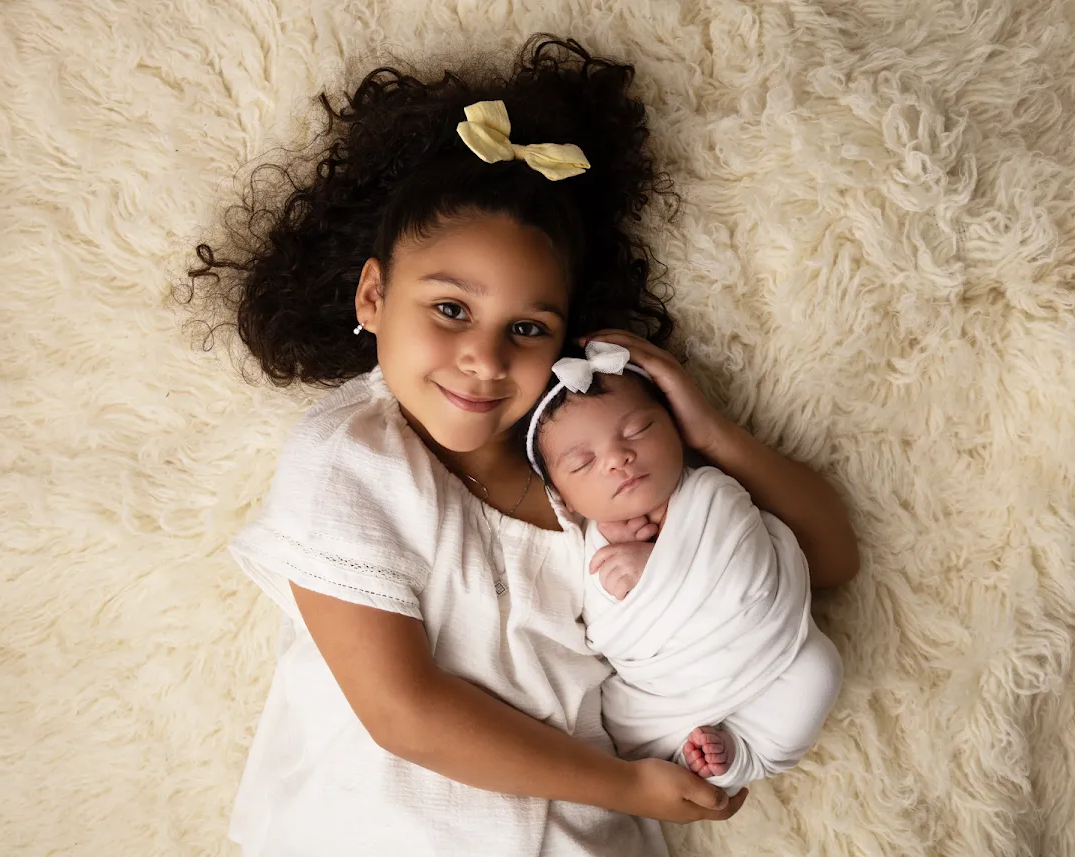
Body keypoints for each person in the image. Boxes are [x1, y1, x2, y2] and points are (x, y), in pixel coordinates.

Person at [182, 35, 859, 857]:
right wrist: (628, 785)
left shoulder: (590, 471)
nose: (484, 357)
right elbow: (403, 712)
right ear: (373, 294)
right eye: (450, 309)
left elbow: (827, 559)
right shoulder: (353, 457)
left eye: (527, 328)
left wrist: (707, 430)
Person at [523, 341, 844, 797]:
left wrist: (659, 567)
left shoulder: (712, 493)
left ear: (675, 429)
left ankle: (748, 754)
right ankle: (718, 761)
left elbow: (748, 564)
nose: (617, 458)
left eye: (638, 430)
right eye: (584, 462)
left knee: (820, 671)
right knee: (626, 723)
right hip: (669, 695)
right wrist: (634, 586)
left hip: (773, 654)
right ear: (565, 500)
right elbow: (611, 633)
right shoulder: (583, 547)